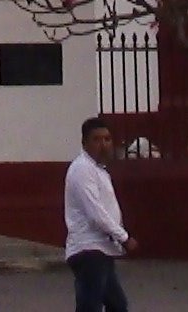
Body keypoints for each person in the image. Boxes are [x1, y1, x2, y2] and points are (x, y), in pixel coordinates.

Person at [65, 116, 137, 312]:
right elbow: (96, 212)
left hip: (102, 248)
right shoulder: (82, 169)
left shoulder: (98, 170)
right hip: (89, 249)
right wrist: (124, 237)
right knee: (90, 306)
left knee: (117, 305)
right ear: (84, 143)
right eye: (96, 140)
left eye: (107, 139)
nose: (103, 145)